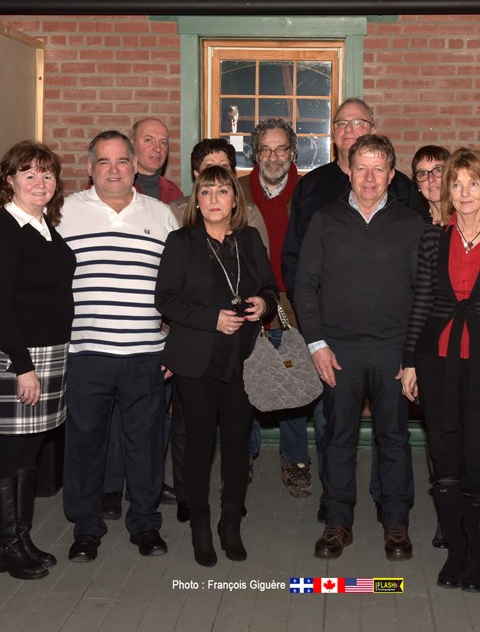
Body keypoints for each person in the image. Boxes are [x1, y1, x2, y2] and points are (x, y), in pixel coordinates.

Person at [282, 98, 424, 522]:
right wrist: (316, 344)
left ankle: (395, 522)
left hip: (391, 351)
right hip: (337, 349)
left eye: (378, 168)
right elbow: (304, 284)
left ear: (391, 175)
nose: (368, 177)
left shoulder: (410, 223)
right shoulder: (325, 219)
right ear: (349, 169)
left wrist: (412, 355)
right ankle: (337, 519)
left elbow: (423, 293)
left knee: (394, 439)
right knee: (337, 438)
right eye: (361, 167)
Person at [401, 148, 480, 592]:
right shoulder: (433, 238)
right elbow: (421, 303)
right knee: (444, 461)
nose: (465, 192)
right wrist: (409, 360)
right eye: (457, 183)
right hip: (437, 362)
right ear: (447, 190)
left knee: (478, 461)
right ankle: (455, 551)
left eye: (474, 183)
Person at [61, 130, 178, 564]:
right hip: (86, 352)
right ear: (89, 167)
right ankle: (85, 529)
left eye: (122, 161)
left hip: (147, 353)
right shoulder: (65, 212)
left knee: (145, 446)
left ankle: (145, 525)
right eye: (104, 162)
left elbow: (180, 287)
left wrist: (175, 345)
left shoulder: (163, 215)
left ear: (136, 166)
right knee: (85, 445)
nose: (113, 170)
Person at [155, 165, 278, 567]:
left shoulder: (249, 239)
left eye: (221, 192)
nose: (212, 200)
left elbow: (269, 287)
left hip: (243, 359)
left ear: (233, 200)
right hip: (196, 359)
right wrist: (212, 318)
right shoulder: (181, 242)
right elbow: (166, 299)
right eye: (205, 193)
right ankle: (201, 528)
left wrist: (265, 304)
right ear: (196, 200)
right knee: (198, 444)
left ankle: (231, 526)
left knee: (238, 444)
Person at [0, 141, 76, 580]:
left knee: (31, 448)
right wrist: (23, 366)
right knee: (9, 449)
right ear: (10, 181)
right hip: (18, 355)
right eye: (29, 174)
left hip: (49, 353)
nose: (40, 183)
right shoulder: (3, 229)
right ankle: (6, 547)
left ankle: (21, 535)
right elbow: (0, 304)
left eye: (47, 174)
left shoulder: (43, 227)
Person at [237, 118, 312, 499]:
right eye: (265, 149)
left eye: (281, 149)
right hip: (246, 302)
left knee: (291, 378)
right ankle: (245, 456)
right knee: (248, 379)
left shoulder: (308, 191)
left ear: (293, 153)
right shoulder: (236, 191)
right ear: (255, 153)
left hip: (291, 303)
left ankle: (296, 460)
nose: (273, 157)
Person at [131, 117, 183, 204]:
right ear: (132, 145)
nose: (158, 148)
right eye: (149, 140)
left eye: (163, 143)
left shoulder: (174, 193)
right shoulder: (120, 187)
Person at [410, 144, 451, 226]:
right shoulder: (413, 224)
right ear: (418, 185)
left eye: (438, 170)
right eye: (422, 174)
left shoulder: (465, 219)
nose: (431, 179)